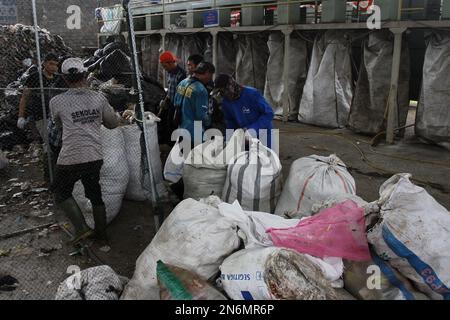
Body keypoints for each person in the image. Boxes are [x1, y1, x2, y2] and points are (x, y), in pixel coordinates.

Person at [50, 57, 122, 247]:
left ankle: (81, 228)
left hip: (70, 157)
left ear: (64, 78)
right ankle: (102, 234)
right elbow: (113, 124)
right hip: (94, 156)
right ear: (85, 75)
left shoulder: (56, 101)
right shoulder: (98, 98)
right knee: (94, 193)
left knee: (60, 191)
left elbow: (59, 126)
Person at [213, 74, 274, 148]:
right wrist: (228, 139)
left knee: (264, 157)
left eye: (222, 91)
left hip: (263, 134)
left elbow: (268, 113)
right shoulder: (226, 102)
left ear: (230, 87)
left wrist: (253, 129)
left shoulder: (252, 94)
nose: (221, 95)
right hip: (244, 137)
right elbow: (230, 121)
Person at [17, 53, 66, 142]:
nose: (53, 67)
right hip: (41, 115)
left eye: (56, 65)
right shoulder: (35, 77)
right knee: (48, 141)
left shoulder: (59, 79)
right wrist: (21, 116)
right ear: (44, 63)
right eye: (51, 64)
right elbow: (24, 97)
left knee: (59, 140)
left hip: (57, 115)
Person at [174, 61, 216, 148]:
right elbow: (201, 115)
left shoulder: (182, 83)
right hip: (195, 133)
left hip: (181, 129)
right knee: (197, 159)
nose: (211, 78)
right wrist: (210, 121)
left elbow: (175, 102)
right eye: (211, 75)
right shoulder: (201, 89)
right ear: (207, 73)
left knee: (183, 158)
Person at [158, 51, 187, 145]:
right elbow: (170, 88)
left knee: (174, 126)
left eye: (165, 66)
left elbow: (182, 94)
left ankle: (174, 147)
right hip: (171, 103)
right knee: (168, 125)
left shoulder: (181, 75)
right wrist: (165, 100)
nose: (165, 69)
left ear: (171, 63)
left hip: (178, 106)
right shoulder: (170, 73)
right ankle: (169, 145)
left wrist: (177, 109)